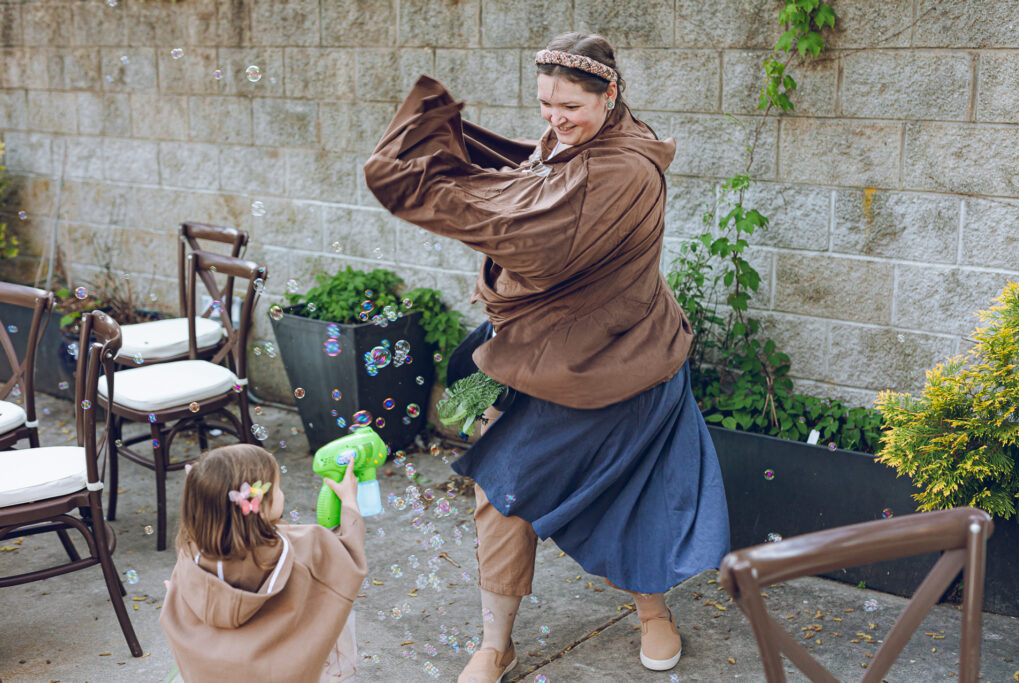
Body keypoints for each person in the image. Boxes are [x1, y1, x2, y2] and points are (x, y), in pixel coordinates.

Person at [365, 31, 731, 682]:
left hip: (628, 363)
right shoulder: (576, 142)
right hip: (552, 355)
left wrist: (432, 189)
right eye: (544, 104)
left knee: (636, 491)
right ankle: (494, 643)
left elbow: (532, 233)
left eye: (570, 105)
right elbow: (529, 189)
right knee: (504, 489)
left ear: (610, 94)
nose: (555, 119)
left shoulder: (625, 171)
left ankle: (653, 614)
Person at [160, 444, 366, 682]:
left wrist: (179, 596)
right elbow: (349, 558)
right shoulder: (305, 546)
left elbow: (179, 603)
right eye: (278, 488)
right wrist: (349, 502)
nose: (282, 494)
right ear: (259, 504)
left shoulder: (191, 553)